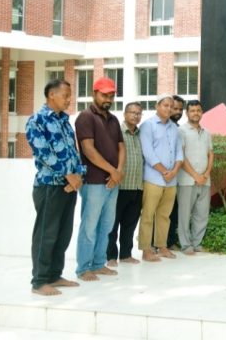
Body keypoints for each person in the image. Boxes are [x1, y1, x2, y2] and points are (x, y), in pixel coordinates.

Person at [26, 79, 86, 296]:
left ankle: (54, 275)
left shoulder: (64, 121)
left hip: (68, 187)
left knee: (63, 233)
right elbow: (43, 153)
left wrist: (78, 176)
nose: (69, 99)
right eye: (65, 95)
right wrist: (67, 175)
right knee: (46, 234)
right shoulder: (37, 120)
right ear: (52, 95)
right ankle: (39, 281)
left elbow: (73, 152)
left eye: (70, 95)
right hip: (49, 186)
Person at [74, 77, 125, 281]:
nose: (108, 98)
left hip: (113, 181)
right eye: (104, 94)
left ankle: (98, 264)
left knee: (106, 225)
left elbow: (122, 147)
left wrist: (118, 171)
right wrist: (113, 171)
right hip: (94, 182)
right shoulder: (85, 117)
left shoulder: (113, 119)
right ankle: (83, 268)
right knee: (89, 225)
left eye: (111, 95)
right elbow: (88, 149)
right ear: (94, 93)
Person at [139, 94, 183, 262]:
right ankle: (146, 249)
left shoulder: (174, 128)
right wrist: (165, 171)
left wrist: (174, 171)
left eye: (171, 106)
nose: (169, 109)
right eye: (165, 105)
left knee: (165, 215)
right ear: (157, 106)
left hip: (171, 179)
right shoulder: (148, 126)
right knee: (148, 215)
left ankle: (162, 246)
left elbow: (180, 151)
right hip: (153, 178)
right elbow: (148, 153)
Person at [107, 102, 144, 267]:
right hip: (120, 186)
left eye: (138, 113)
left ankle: (126, 254)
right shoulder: (117, 133)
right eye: (132, 112)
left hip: (137, 186)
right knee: (113, 224)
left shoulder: (140, 134)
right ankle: (111, 256)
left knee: (130, 224)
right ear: (125, 114)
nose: (135, 116)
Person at [177, 100, 214, 255]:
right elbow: (181, 156)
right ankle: (186, 245)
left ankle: (197, 243)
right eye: (192, 111)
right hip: (187, 180)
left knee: (202, 213)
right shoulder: (181, 131)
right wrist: (195, 175)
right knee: (185, 214)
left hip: (205, 181)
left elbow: (210, 154)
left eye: (198, 110)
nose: (195, 113)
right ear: (187, 113)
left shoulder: (206, 133)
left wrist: (205, 174)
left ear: (202, 112)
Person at [165, 95, 186, 251]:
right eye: (175, 108)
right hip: (160, 176)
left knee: (173, 212)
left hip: (175, 177)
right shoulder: (158, 126)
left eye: (180, 109)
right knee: (157, 213)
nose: (178, 111)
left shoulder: (177, 128)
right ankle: (154, 243)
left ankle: (169, 241)